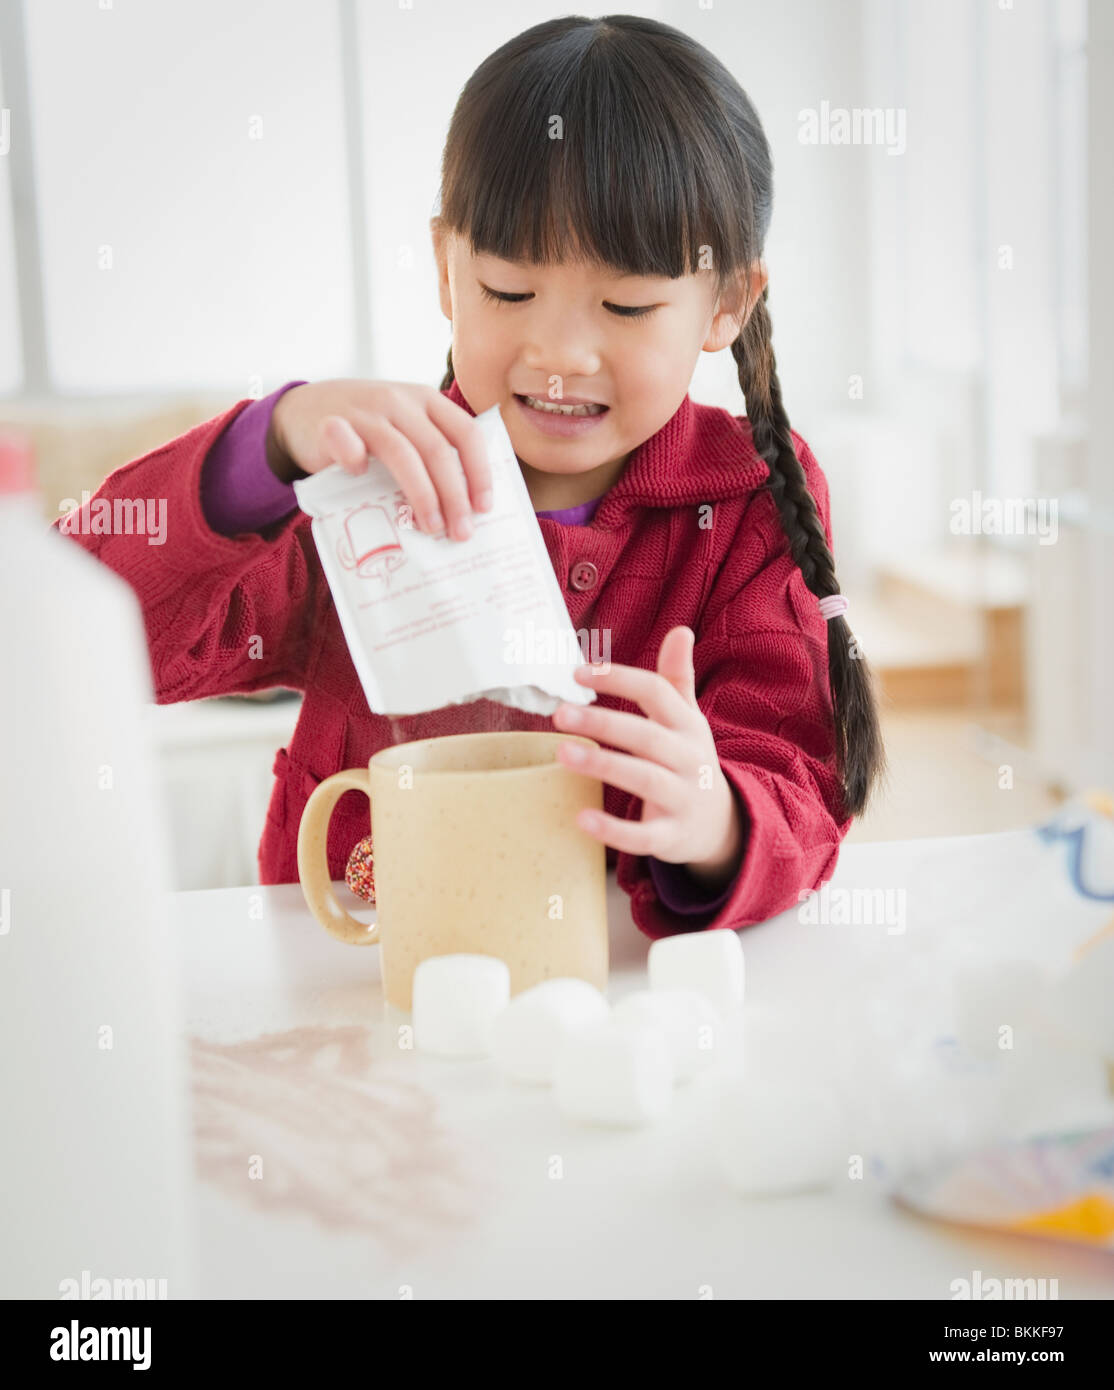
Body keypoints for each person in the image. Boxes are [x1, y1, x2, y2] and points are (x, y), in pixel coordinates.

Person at [53, 14, 885, 939]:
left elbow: (800, 783)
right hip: (356, 989)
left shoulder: (751, 497)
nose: (559, 352)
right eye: (509, 292)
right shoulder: (363, 482)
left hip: (618, 1000)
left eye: (625, 304)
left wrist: (718, 820)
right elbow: (77, 623)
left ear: (725, 302)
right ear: (448, 270)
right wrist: (268, 446)